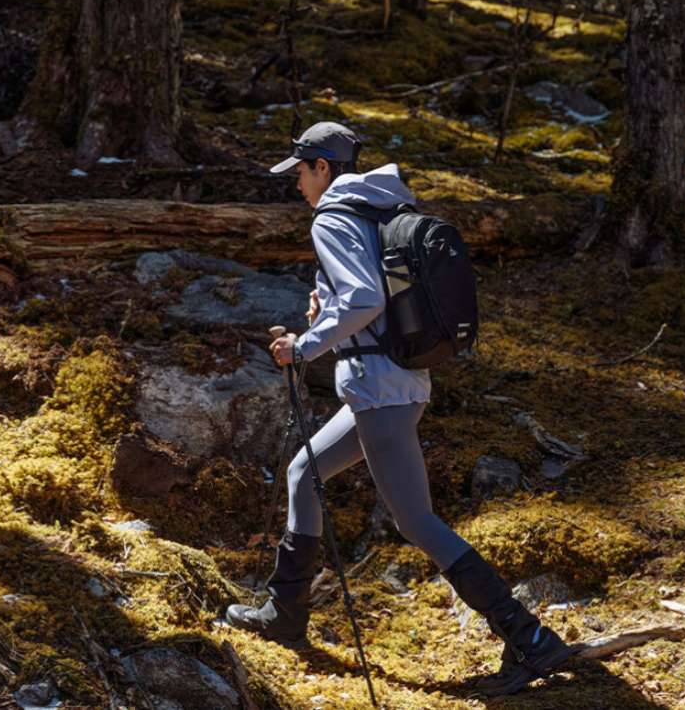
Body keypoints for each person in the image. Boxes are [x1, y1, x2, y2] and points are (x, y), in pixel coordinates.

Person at [224, 121, 576, 696]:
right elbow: (369, 299)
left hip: (378, 389)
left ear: (322, 167)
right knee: (304, 474)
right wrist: (326, 313)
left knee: (416, 521)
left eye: (301, 173)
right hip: (396, 380)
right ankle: (285, 614)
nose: (297, 186)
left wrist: (305, 346)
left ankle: (529, 638)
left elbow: (362, 298)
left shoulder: (333, 217)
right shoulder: (374, 210)